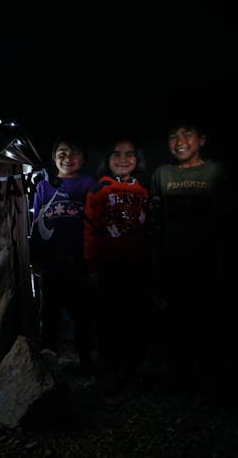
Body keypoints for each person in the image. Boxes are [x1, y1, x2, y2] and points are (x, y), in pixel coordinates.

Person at [149, 122, 231, 391]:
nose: (179, 141)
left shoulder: (215, 171)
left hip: (207, 259)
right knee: (176, 319)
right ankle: (179, 375)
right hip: (173, 258)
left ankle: (212, 374)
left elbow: (227, 215)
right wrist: (156, 258)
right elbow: (155, 220)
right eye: (173, 136)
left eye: (187, 135)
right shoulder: (162, 174)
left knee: (208, 317)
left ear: (202, 139)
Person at [83, 138, 150, 398]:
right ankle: (110, 370)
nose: (123, 159)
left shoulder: (143, 190)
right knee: (109, 320)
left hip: (137, 267)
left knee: (135, 319)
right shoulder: (99, 190)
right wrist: (92, 267)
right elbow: (90, 231)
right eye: (117, 154)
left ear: (137, 158)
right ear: (106, 159)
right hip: (109, 267)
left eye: (129, 154)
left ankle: (132, 370)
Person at [30, 136, 96, 373]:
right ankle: (47, 363)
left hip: (79, 265)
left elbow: (95, 224)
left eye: (75, 152)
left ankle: (86, 360)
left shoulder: (89, 184)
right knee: (50, 315)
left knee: (82, 315)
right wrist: (36, 257)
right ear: (54, 157)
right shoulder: (44, 187)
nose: (68, 158)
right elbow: (37, 223)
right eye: (63, 152)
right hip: (51, 265)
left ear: (84, 158)